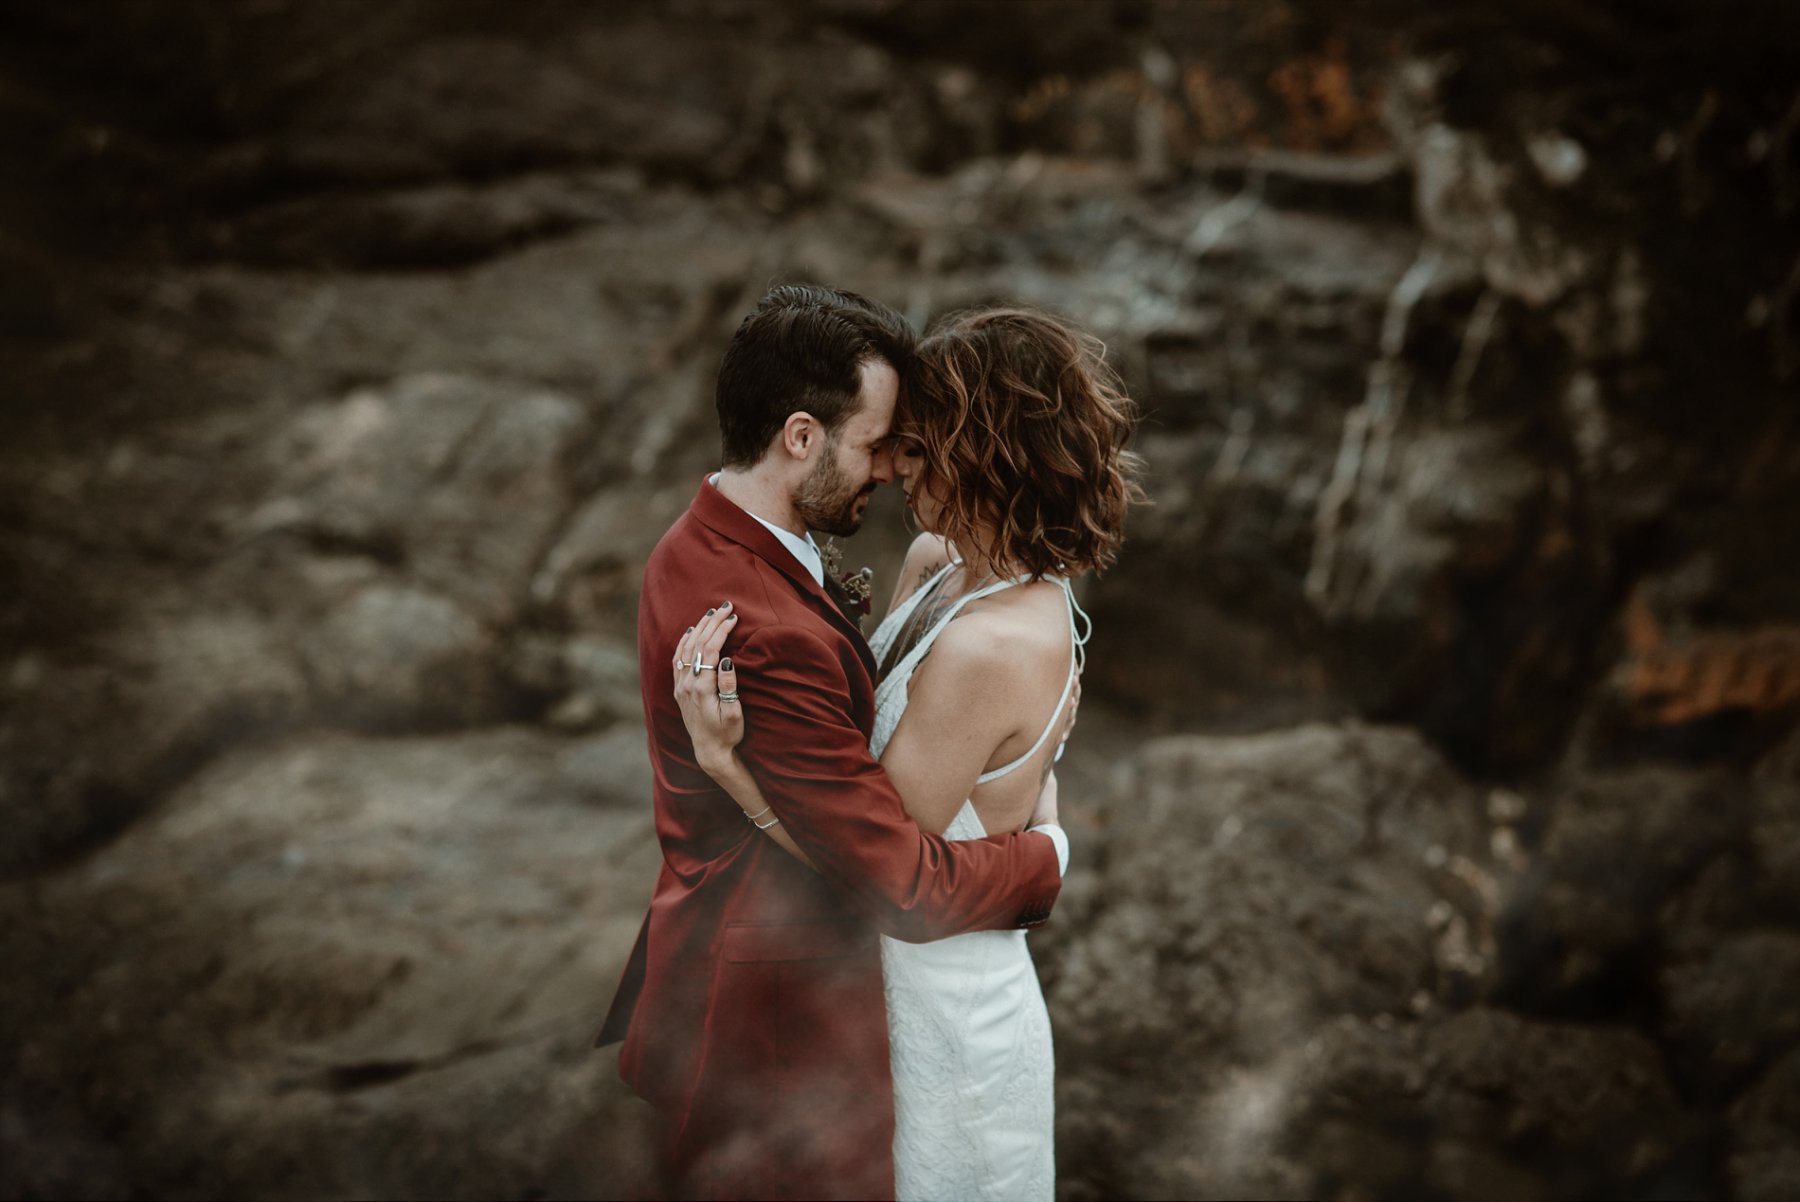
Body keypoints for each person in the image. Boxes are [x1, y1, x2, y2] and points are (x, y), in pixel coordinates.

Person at [597, 285, 1070, 1202]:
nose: (894, 470)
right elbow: (904, 881)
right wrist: (1043, 858)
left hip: (747, 963)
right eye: (877, 444)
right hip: (785, 1016)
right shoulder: (766, 628)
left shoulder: (699, 539)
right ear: (802, 437)